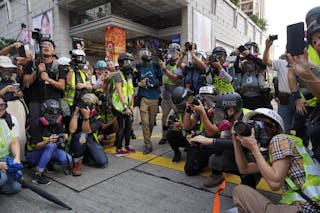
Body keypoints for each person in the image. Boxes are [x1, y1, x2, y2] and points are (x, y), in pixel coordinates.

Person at [231, 108, 320, 212]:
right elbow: (244, 169)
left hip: (306, 208)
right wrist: (235, 142)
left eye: (259, 123)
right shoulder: (281, 151)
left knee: (240, 196)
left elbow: (275, 183)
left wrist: (254, 148)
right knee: (240, 191)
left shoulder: (279, 139)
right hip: (306, 206)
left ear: (273, 128)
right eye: (252, 123)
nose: (254, 128)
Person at [190, 92, 256, 188]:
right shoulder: (230, 119)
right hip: (244, 151)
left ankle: (249, 181)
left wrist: (210, 141)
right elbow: (224, 141)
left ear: (231, 110)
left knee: (242, 157)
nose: (217, 114)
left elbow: (243, 144)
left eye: (219, 111)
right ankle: (217, 174)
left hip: (258, 159)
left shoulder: (250, 119)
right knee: (214, 158)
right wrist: (202, 141)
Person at [26, 99, 72, 184]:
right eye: (50, 115)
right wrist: (48, 141)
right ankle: (38, 175)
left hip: (47, 151)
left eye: (55, 115)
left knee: (67, 159)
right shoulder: (36, 124)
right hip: (32, 153)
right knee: (51, 145)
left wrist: (62, 137)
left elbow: (60, 144)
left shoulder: (58, 124)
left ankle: (47, 162)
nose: (53, 117)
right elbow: (37, 146)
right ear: (44, 113)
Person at [69, 93, 108, 176]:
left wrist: (86, 117)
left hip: (90, 140)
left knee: (102, 162)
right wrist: (76, 113)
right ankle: (77, 165)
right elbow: (72, 130)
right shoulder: (77, 113)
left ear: (94, 106)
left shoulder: (97, 118)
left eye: (89, 104)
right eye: (84, 103)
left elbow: (87, 131)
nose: (86, 106)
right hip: (77, 141)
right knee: (82, 136)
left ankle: (86, 156)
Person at [133, 49, 162, 154]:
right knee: (145, 122)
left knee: (150, 122)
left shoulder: (155, 66)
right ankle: (148, 144)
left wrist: (152, 85)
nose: (147, 63)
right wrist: (141, 83)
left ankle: (147, 139)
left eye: (148, 60)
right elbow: (134, 82)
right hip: (143, 98)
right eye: (145, 61)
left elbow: (160, 81)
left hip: (154, 97)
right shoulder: (138, 67)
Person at [263, 39, 295, 134]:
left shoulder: (305, 62)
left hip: (302, 101)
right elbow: (266, 61)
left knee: (301, 129)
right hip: (284, 100)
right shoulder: (282, 63)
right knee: (284, 127)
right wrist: (267, 47)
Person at [0, 56, 26, 160]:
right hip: (3, 108)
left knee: (20, 133)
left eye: (9, 69)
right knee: (6, 134)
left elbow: (21, 93)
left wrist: (19, 94)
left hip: (17, 105)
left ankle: (20, 158)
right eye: (4, 68)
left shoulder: (13, 78)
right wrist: (5, 90)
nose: (7, 71)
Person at [158, 43, 184, 145]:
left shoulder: (180, 66)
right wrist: (161, 57)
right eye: (171, 51)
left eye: (175, 51)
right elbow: (161, 64)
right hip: (165, 97)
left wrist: (165, 69)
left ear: (179, 53)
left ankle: (178, 137)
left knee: (176, 118)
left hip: (176, 98)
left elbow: (175, 78)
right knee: (164, 118)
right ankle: (164, 136)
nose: (172, 53)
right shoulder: (167, 63)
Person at [111, 53, 135, 156]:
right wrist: (125, 107)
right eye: (126, 62)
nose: (128, 64)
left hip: (128, 105)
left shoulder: (129, 75)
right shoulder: (117, 75)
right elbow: (119, 92)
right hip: (120, 106)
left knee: (129, 126)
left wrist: (132, 106)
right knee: (121, 126)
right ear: (120, 63)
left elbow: (131, 91)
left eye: (129, 62)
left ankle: (127, 146)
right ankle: (119, 148)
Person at [236, 42, 271, 109]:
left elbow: (263, 64)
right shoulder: (243, 64)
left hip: (258, 99)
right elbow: (236, 69)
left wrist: (249, 55)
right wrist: (237, 55)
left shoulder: (259, 64)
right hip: (245, 98)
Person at [0, 97, 22, 194]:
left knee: (16, 187)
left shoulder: (11, 119)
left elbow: (15, 141)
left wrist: (16, 158)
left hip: (7, 159)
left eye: (2, 106)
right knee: (2, 179)